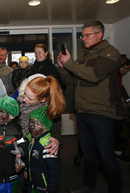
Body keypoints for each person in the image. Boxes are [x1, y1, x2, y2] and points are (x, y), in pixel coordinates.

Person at [57, 20, 122, 193]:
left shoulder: (110, 53)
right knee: (88, 153)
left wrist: (71, 63)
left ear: (99, 35)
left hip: (101, 112)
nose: (83, 39)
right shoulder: (84, 56)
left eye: (87, 35)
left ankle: (115, 189)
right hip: (83, 112)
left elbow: (94, 75)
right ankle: (89, 186)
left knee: (106, 156)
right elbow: (73, 81)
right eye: (82, 35)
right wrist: (64, 67)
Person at [24, 106, 60, 193]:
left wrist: (52, 190)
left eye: (38, 124)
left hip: (44, 188)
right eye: (31, 123)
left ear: (45, 127)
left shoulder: (47, 146)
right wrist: (26, 169)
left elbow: (54, 172)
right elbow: (29, 158)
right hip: (32, 184)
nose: (33, 127)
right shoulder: (30, 140)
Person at [115, 57, 130, 162]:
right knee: (116, 131)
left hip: (118, 108)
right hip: (115, 109)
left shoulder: (118, 77)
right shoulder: (115, 77)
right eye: (124, 68)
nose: (125, 71)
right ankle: (117, 152)